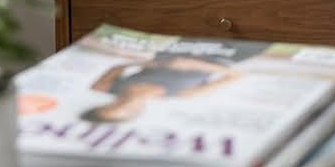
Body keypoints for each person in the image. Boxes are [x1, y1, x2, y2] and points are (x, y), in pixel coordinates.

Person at [79, 52, 240, 123]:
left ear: (103, 104)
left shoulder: (106, 87)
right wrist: (194, 65)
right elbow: (235, 75)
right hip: (224, 55)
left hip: (174, 48)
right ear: (138, 113)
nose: (125, 104)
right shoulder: (182, 94)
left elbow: (119, 66)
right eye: (127, 111)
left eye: (113, 107)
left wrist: (153, 63)